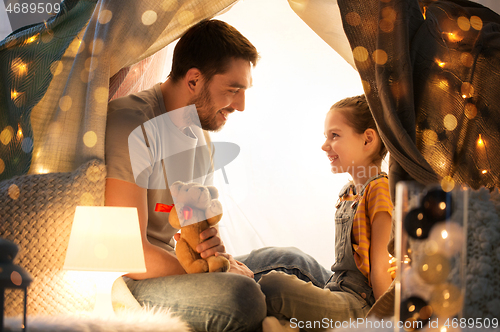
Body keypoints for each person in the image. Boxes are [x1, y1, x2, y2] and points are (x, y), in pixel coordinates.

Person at [105, 19, 331, 332]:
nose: (239, 105)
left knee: (293, 262)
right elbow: (127, 251)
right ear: (194, 80)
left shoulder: (200, 137)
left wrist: (217, 254)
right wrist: (215, 275)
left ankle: (370, 314)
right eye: (232, 90)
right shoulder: (131, 124)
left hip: (189, 270)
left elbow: (194, 230)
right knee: (244, 296)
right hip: (142, 281)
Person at [258, 95, 393, 332]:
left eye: (335, 136)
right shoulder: (349, 192)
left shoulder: (380, 189)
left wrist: (386, 324)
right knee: (284, 264)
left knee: (273, 285)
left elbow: (380, 267)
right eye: (325, 137)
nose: (325, 145)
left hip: (360, 303)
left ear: (367, 139)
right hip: (337, 289)